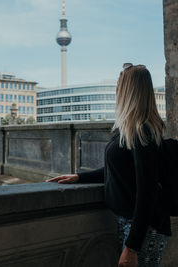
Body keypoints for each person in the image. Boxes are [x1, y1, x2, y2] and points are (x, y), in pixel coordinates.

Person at [46, 63, 171, 267]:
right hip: (131, 225)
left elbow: (147, 193)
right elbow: (121, 170)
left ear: (129, 92)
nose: (116, 90)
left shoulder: (142, 133)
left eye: (119, 85)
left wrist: (132, 247)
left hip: (144, 229)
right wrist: (80, 177)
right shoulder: (131, 129)